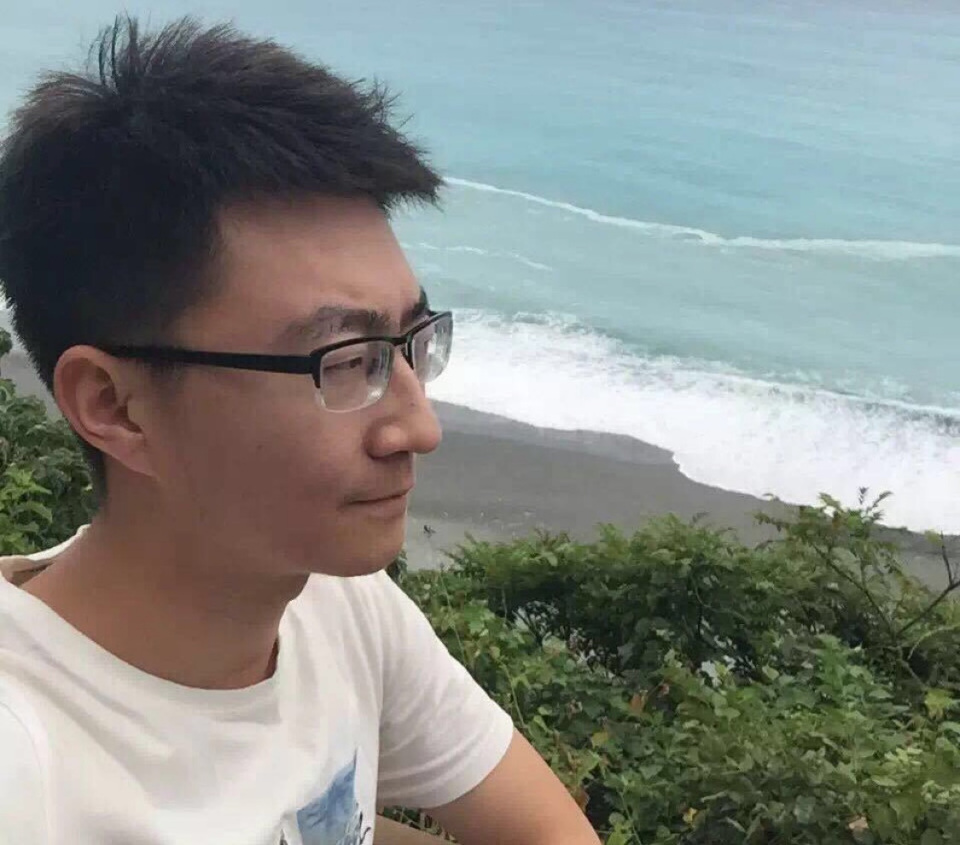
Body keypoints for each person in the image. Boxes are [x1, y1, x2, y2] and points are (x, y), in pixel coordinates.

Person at [0, 17, 601, 845]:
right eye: (344, 361)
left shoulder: (333, 603)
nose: (418, 426)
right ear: (115, 405)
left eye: (410, 343)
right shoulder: (30, 771)